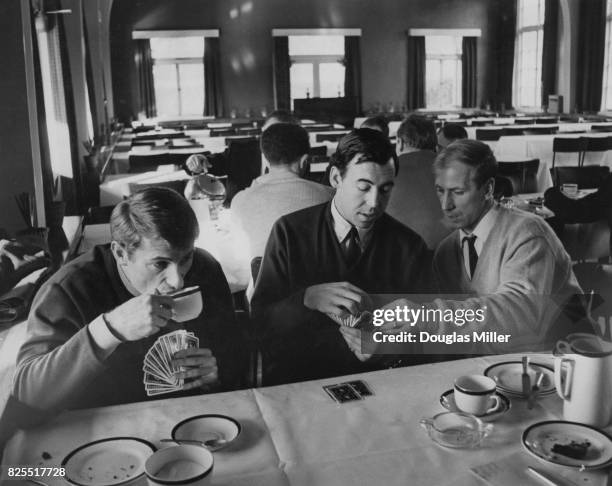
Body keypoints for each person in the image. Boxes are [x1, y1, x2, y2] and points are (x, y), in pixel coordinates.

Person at [13, 188, 247, 413]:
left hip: (190, 420)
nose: (177, 282)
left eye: (186, 258)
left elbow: (235, 356)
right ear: (120, 254)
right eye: (160, 264)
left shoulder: (204, 269)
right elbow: (28, 395)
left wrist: (216, 375)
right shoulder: (68, 291)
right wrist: (109, 329)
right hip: (101, 433)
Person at [344, 140, 585, 357]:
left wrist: (424, 317)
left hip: (568, 354)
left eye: (458, 192)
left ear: (488, 189)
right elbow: (457, 332)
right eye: (440, 191)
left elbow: (520, 315)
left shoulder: (528, 233)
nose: (446, 205)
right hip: (501, 362)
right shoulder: (447, 251)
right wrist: (389, 340)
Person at [250, 128, 431, 385]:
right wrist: (306, 299)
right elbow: (259, 324)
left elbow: (427, 335)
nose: (374, 203)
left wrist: (389, 345)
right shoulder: (289, 232)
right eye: (364, 187)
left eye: (385, 190)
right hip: (302, 384)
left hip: (381, 383)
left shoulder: (409, 246)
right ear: (336, 178)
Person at [231, 123, 334, 262]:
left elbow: (238, 263)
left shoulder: (240, 200)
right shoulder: (330, 197)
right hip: (319, 280)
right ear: (304, 161)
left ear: (265, 159)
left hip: (262, 281)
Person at [386, 116, 451, 249]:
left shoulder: (385, 172)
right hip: (450, 257)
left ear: (400, 142)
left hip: (398, 257)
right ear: (435, 144)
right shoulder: (454, 169)